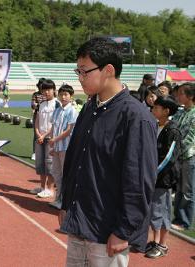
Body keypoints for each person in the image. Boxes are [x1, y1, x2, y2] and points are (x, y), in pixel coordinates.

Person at [60, 37, 157, 267]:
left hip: (108, 233)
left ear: (109, 70)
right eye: (78, 71)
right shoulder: (89, 108)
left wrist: (123, 231)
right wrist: (66, 204)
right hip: (80, 222)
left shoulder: (136, 117)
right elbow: (75, 159)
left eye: (84, 72)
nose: (80, 79)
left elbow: (140, 180)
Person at [146, 96, 181, 259]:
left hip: (163, 178)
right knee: (154, 211)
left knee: (162, 211)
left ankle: (162, 245)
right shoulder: (156, 125)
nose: (153, 110)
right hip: (153, 176)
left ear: (166, 111)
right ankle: (155, 241)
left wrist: (153, 172)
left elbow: (168, 158)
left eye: (156, 108)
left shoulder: (172, 130)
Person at [48, 84, 77, 209]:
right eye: (61, 94)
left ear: (71, 96)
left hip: (66, 147)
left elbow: (69, 130)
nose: (63, 97)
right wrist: (52, 144)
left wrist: (55, 139)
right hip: (57, 147)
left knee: (66, 174)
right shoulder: (57, 110)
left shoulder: (72, 111)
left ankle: (65, 200)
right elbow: (54, 128)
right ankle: (58, 197)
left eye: (66, 94)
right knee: (56, 173)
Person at [171, 82, 195, 231]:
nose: (178, 96)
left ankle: (185, 221)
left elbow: (190, 138)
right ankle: (178, 218)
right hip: (178, 156)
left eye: (181, 93)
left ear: (191, 96)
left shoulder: (193, 114)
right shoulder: (180, 112)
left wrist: (176, 151)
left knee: (187, 190)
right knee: (179, 189)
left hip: (188, 156)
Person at [30, 79, 59, 199]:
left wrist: (44, 135)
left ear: (53, 90)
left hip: (50, 138)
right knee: (40, 163)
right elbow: (37, 120)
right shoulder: (41, 104)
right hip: (40, 138)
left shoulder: (57, 104)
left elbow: (55, 123)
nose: (46, 92)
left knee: (50, 163)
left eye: (49, 89)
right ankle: (42, 187)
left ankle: (50, 189)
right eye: (44, 90)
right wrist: (37, 133)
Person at [30, 78, 47, 160]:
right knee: (36, 135)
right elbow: (33, 105)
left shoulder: (47, 94)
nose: (42, 87)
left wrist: (39, 105)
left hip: (47, 117)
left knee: (46, 134)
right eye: (40, 85)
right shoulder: (35, 94)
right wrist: (41, 105)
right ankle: (35, 152)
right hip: (37, 116)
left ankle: (45, 152)